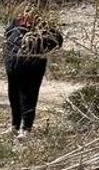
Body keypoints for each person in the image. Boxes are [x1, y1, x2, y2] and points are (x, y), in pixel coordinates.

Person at [4, 8, 63, 139]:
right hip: (13, 68)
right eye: (25, 11)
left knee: (29, 97)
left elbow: (58, 41)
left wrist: (37, 41)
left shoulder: (44, 28)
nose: (27, 14)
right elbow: (7, 36)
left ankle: (26, 129)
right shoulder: (16, 24)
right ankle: (15, 126)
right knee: (14, 97)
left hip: (32, 70)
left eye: (31, 12)